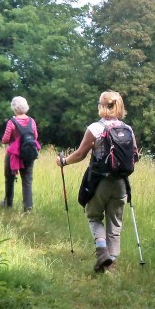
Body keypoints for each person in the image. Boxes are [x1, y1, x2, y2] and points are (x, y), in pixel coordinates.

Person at [56, 90, 137, 273]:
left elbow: (80, 154)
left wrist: (64, 161)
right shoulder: (128, 129)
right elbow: (134, 156)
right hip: (121, 183)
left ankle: (102, 252)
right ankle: (111, 267)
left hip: (100, 181)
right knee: (115, 224)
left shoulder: (95, 128)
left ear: (101, 106)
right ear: (120, 106)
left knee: (94, 216)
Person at [1, 96, 40, 212]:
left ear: (14, 108)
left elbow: (5, 139)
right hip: (29, 153)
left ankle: (8, 203)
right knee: (27, 180)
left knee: (9, 178)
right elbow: (35, 137)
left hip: (14, 155)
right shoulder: (32, 121)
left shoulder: (12, 122)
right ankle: (28, 208)